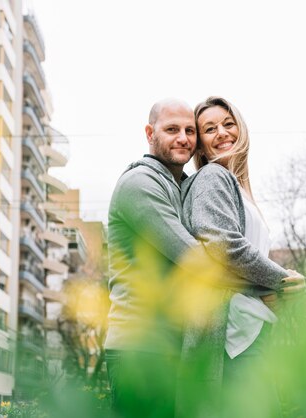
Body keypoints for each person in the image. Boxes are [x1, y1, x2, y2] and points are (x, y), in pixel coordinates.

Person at [179, 96, 306, 417]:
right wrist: (281, 282)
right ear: (201, 147)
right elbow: (224, 246)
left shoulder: (239, 187)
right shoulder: (212, 177)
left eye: (228, 123)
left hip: (254, 329)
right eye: (209, 129)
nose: (221, 132)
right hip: (233, 337)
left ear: (241, 129)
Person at [104, 98, 200, 418]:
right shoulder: (139, 183)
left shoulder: (182, 186)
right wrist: (267, 284)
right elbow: (195, 258)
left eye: (190, 130)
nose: (183, 138)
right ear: (150, 132)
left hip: (172, 350)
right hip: (139, 350)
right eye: (172, 129)